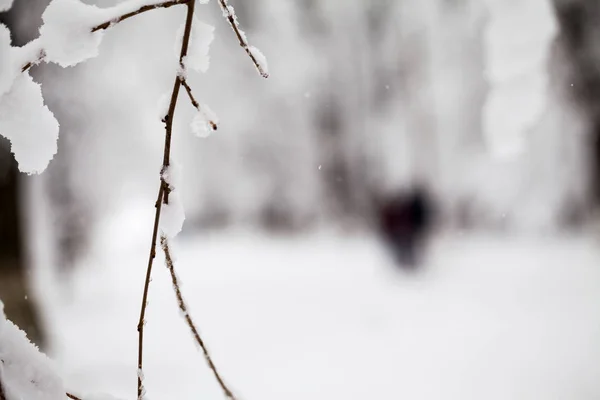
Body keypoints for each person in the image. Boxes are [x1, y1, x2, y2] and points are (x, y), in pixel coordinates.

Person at [375, 187, 433, 270]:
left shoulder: (404, 209)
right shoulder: (395, 210)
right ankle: (404, 262)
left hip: (405, 231)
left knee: (408, 247)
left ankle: (408, 262)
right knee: (403, 247)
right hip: (400, 231)